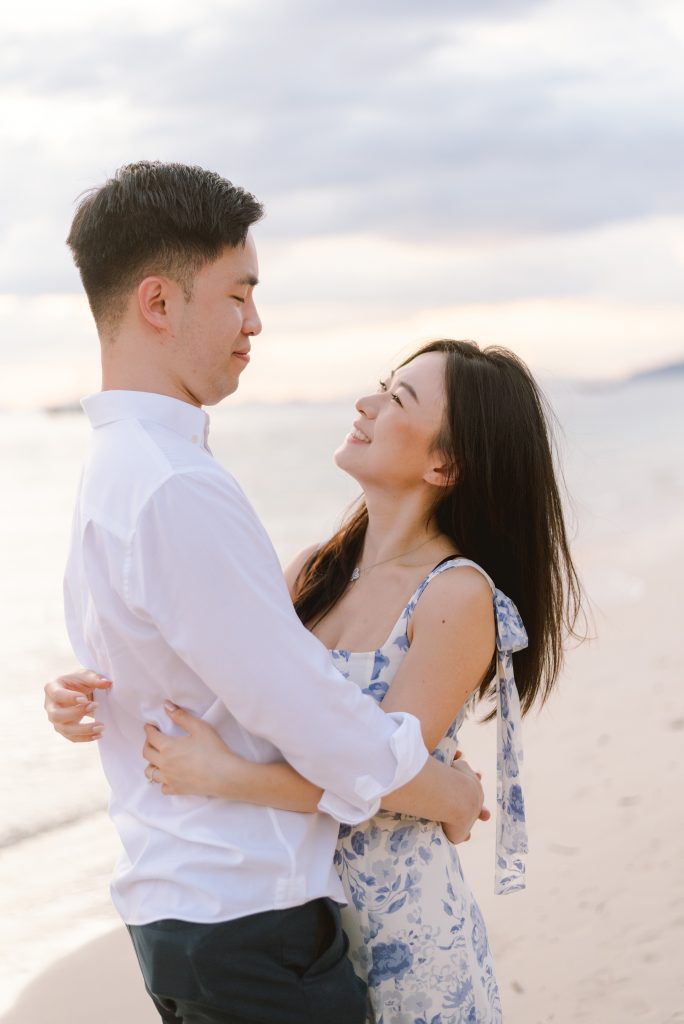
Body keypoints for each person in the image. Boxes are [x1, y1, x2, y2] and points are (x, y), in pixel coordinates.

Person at [47, 160, 488, 1024]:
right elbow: (311, 714)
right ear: (158, 303)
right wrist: (437, 787)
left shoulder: (122, 470)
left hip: (189, 914)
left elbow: (159, 671)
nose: (256, 323)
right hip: (244, 918)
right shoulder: (175, 484)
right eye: (238, 294)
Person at [48, 336, 583, 1019]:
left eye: (398, 399)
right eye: (383, 385)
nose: (366, 403)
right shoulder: (311, 573)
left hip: (402, 924)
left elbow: (391, 785)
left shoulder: (455, 596)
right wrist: (90, 690)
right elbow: (233, 689)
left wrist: (226, 776)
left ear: (445, 462)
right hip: (299, 905)